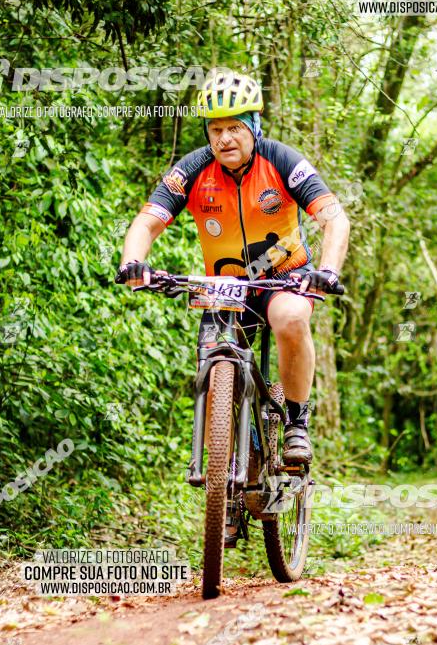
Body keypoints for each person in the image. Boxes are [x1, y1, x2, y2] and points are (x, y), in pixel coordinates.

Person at [115, 69, 350, 465]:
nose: (224, 139)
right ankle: (229, 466)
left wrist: (328, 270)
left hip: (283, 277)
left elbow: (334, 217)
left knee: (291, 317)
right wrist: (133, 262)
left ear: (254, 127)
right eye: (215, 129)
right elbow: (148, 221)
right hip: (223, 288)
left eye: (235, 128)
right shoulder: (192, 169)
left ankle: (296, 422)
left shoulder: (281, 160)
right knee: (211, 361)